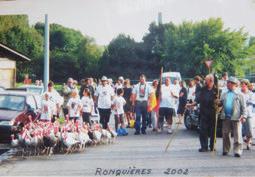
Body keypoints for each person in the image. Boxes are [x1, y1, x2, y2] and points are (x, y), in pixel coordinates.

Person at [187, 74, 217, 152]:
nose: (204, 82)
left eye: (206, 80)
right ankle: (204, 147)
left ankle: (212, 146)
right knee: (203, 130)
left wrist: (219, 103)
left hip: (213, 114)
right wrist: (191, 104)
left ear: (211, 81)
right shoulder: (203, 89)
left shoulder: (217, 90)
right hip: (203, 113)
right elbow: (198, 100)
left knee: (213, 131)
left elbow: (221, 102)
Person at [220, 76, 247, 157]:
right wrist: (218, 103)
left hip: (236, 117)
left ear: (235, 84)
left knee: (237, 135)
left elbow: (244, 107)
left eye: (230, 83)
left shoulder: (240, 94)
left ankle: (237, 151)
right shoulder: (224, 94)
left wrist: (244, 116)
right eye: (228, 83)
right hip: (226, 117)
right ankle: (225, 149)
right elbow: (220, 104)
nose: (228, 84)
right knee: (225, 134)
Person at [240, 79, 255, 150]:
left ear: (247, 85)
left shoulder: (251, 94)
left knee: (249, 129)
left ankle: (248, 142)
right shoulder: (239, 93)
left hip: (248, 113)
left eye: (243, 84)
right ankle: (242, 141)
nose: (242, 85)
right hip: (240, 113)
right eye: (241, 84)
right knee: (240, 129)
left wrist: (244, 103)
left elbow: (252, 102)